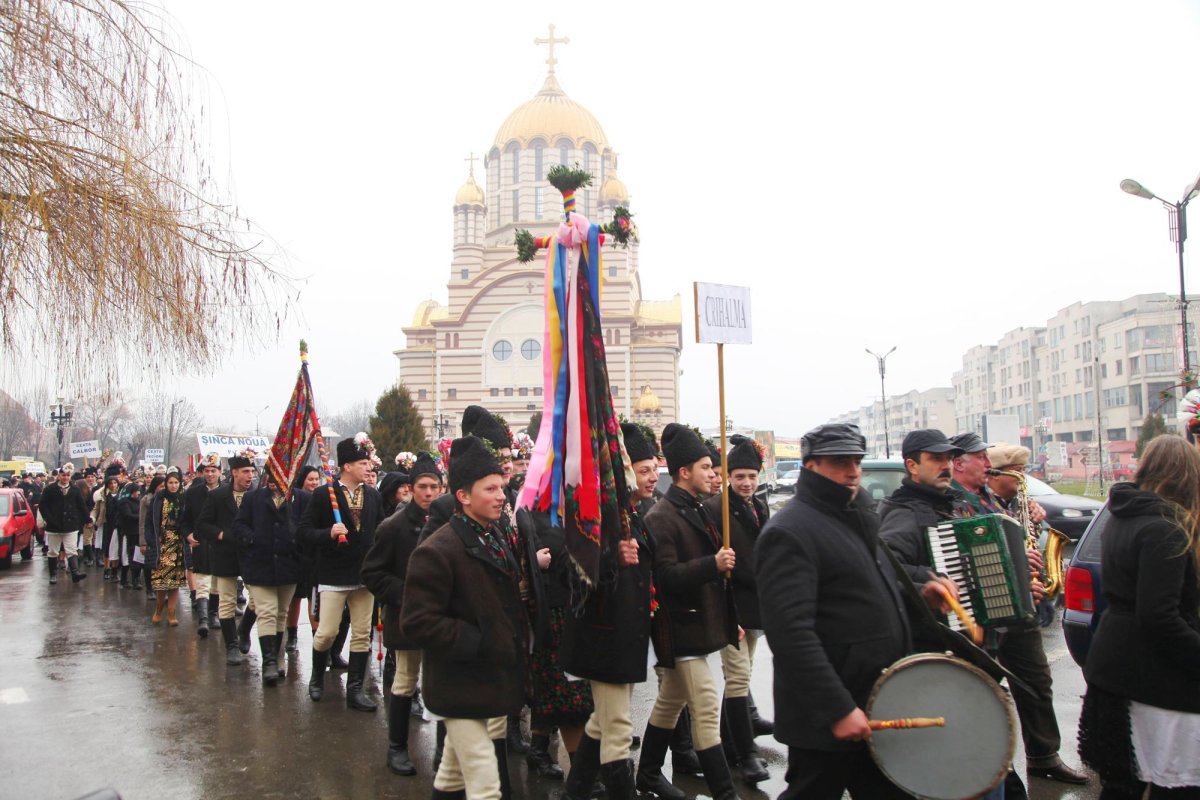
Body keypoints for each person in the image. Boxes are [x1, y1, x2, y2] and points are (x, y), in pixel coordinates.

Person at [756, 423, 958, 799]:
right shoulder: (790, 530)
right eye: (839, 462)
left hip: (876, 699)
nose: (852, 471)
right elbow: (790, 634)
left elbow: (866, 586)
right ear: (810, 466)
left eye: (856, 461)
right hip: (828, 716)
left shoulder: (855, 514)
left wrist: (920, 593)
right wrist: (837, 709)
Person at [950, 434, 1087, 787]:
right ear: (959, 463)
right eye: (980, 457)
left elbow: (1016, 538)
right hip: (984, 618)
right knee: (986, 692)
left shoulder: (991, 498)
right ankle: (993, 768)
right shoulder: (953, 503)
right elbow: (965, 557)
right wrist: (1013, 566)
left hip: (1019, 611)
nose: (986, 462)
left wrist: (1032, 524)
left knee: (1037, 682)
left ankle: (1044, 756)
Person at [399, 435, 527, 800]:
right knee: (486, 785)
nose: (502, 495)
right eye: (491, 489)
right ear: (463, 497)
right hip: (459, 684)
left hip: (487, 678)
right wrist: (479, 640)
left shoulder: (494, 535)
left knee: (452, 775)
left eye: (501, 487)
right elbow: (417, 621)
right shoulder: (438, 550)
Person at [1080, 434, 1200, 798]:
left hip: (1115, 664)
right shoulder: (1164, 527)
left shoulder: (1124, 514)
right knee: (1174, 783)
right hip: (1152, 675)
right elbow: (1158, 616)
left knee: (1123, 785)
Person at [637, 423, 739, 800]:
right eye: (706, 467)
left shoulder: (696, 508)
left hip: (700, 626)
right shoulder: (661, 518)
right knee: (707, 708)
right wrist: (712, 564)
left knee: (671, 700)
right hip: (680, 630)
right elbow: (663, 577)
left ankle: (647, 773)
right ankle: (725, 793)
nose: (713, 474)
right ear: (684, 473)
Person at [559, 421, 657, 800]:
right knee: (617, 728)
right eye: (642, 469)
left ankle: (575, 792)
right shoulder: (595, 515)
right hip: (602, 639)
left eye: (652, 469)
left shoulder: (638, 516)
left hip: (628, 637)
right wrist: (611, 556)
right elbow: (572, 571)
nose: (650, 477)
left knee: (601, 722)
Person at [362, 451, 442, 777]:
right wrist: (404, 593)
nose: (428, 493)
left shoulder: (449, 522)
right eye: (422, 486)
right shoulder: (393, 526)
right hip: (406, 618)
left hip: (441, 619)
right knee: (405, 681)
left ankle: (443, 755)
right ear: (410, 488)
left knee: (439, 685)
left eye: (434, 487)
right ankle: (396, 747)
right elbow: (372, 573)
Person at [704, 434, 771, 784]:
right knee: (738, 679)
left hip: (755, 606)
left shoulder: (760, 506)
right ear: (729, 476)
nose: (746, 482)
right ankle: (748, 756)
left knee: (738, 678)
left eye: (752, 476)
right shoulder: (716, 510)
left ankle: (730, 743)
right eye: (740, 476)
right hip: (731, 608)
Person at [299, 433, 383, 712]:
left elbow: (382, 531)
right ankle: (316, 677)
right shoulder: (325, 495)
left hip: (365, 575)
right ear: (347, 466)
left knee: (361, 634)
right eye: (362, 463)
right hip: (334, 575)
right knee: (327, 632)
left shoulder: (373, 495)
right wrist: (328, 533)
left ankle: (355, 689)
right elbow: (304, 533)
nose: (368, 468)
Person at [232, 469, 300, 686]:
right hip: (260, 565)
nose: (272, 481)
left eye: (277, 477)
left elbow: (306, 526)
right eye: (269, 476)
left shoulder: (298, 498)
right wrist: (252, 540)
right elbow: (239, 525)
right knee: (267, 612)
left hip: (289, 565)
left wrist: (297, 542)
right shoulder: (253, 497)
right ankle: (269, 662)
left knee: (281, 612)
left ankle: (276, 655)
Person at [197, 450, 257, 666]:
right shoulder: (218, 496)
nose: (250, 476)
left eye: (252, 471)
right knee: (227, 603)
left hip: (251, 555)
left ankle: (245, 630)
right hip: (225, 555)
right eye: (245, 472)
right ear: (234, 472)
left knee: (259, 600)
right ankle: (231, 646)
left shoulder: (256, 495)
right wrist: (220, 534)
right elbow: (203, 524)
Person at [183, 453, 222, 638]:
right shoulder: (192, 493)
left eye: (213, 470)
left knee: (216, 583)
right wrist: (188, 535)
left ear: (220, 472)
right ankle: (204, 619)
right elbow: (184, 520)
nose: (210, 474)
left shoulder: (227, 491)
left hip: (220, 543)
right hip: (200, 542)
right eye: (206, 470)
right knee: (203, 582)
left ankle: (214, 614)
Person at [145, 472, 190, 625]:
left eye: (176, 483)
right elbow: (149, 522)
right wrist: (150, 540)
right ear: (166, 484)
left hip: (178, 544)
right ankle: (158, 609)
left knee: (175, 582)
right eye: (170, 482)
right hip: (161, 544)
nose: (173, 486)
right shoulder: (158, 499)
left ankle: (172, 613)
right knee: (161, 581)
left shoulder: (183, 499)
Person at [285, 465, 321, 652]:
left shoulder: (322, 497)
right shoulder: (296, 498)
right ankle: (292, 635)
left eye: (316, 479)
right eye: (310, 479)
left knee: (313, 598)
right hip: (297, 554)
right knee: (295, 597)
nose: (314, 483)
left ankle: (317, 638)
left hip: (315, 554)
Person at [40, 465, 89, 585]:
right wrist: (49, 519)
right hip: (54, 526)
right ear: (58, 476)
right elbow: (43, 506)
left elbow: (82, 506)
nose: (65, 477)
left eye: (68, 475)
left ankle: (75, 573)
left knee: (72, 550)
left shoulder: (75, 489)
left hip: (70, 525)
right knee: (53, 551)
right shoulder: (50, 489)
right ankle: (52, 575)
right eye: (63, 475)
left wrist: (87, 519)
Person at [117, 480, 145, 591]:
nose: (138, 493)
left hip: (138, 533)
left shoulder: (139, 502)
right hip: (129, 533)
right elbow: (127, 515)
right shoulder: (125, 502)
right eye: (136, 491)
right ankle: (127, 579)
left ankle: (136, 579)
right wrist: (141, 517)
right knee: (129, 557)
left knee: (137, 557)